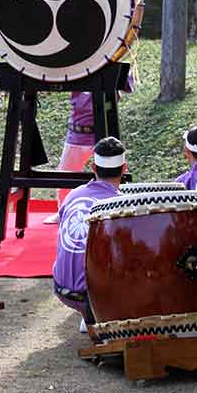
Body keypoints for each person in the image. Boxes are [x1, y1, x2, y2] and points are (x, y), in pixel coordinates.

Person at [52, 136, 127, 333]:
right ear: (124, 168)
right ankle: (98, 312)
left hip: (61, 288)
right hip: (90, 295)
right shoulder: (122, 205)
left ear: (93, 167)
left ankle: (90, 314)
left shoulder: (73, 194)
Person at [52, 73, 135, 213]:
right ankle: (63, 210)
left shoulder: (111, 59)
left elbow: (126, 85)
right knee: (65, 176)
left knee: (111, 175)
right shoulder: (77, 65)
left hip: (105, 131)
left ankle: (112, 208)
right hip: (78, 132)